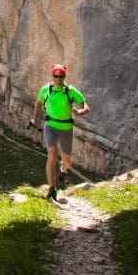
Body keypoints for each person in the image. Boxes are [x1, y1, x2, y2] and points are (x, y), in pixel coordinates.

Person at [32, 63, 89, 202]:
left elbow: (86, 107)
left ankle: (63, 170)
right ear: (52, 76)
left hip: (66, 129)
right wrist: (35, 119)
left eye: (61, 77)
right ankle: (52, 189)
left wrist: (79, 112)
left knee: (67, 160)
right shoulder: (46, 90)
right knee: (51, 155)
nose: (58, 79)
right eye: (55, 76)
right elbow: (39, 103)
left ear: (64, 76)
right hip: (50, 126)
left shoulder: (71, 91)